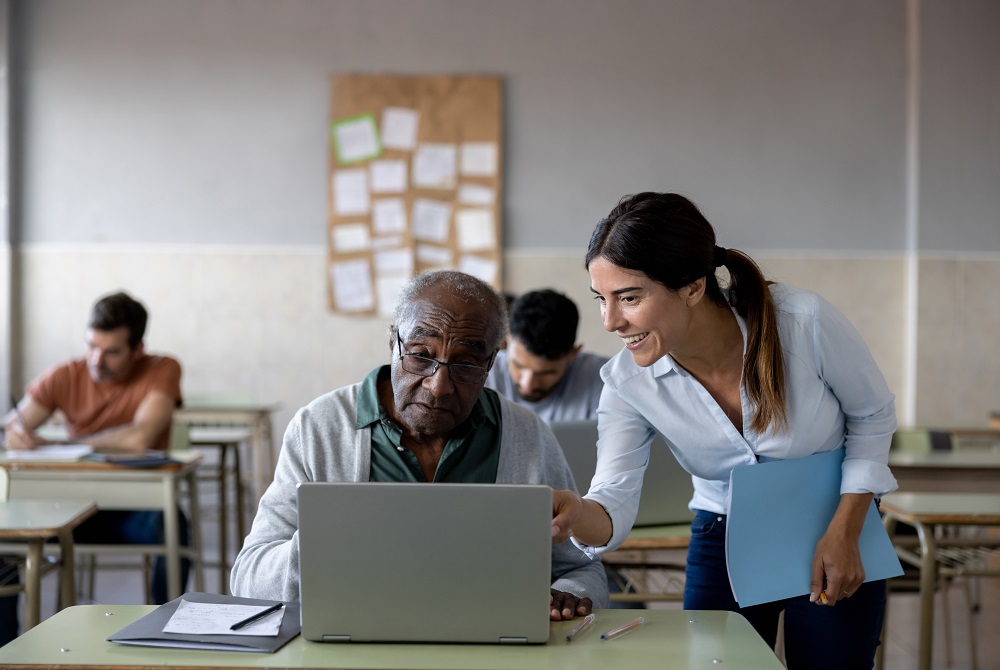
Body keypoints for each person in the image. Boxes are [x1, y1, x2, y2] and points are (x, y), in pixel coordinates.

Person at [551, 193, 897, 669]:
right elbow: (612, 497)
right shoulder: (626, 383)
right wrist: (577, 512)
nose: (610, 322)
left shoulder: (801, 321)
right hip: (724, 536)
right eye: (602, 300)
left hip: (836, 523)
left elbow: (873, 415)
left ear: (693, 287)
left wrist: (846, 531)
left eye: (629, 297)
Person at [231, 270, 608, 619]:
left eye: (465, 364)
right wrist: (322, 542)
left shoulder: (527, 435)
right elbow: (249, 580)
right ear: (392, 342)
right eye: (420, 356)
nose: (438, 385)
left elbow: (580, 566)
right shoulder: (320, 428)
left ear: (492, 361)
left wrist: (569, 592)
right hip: (354, 644)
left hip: (489, 645)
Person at [1, 291, 188, 643]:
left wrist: (64, 443)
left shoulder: (163, 368)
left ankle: (169, 636)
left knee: (174, 528)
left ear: (138, 349)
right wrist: (15, 434)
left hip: (135, 511)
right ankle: (7, 650)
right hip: (68, 510)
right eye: (91, 346)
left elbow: (140, 437)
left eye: (112, 352)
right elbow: (14, 424)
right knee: (7, 542)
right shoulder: (65, 375)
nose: (97, 360)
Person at [486, 289, 607, 423]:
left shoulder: (604, 379)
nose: (527, 384)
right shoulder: (482, 374)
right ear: (508, 339)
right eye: (518, 365)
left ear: (573, 354)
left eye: (545, 373)